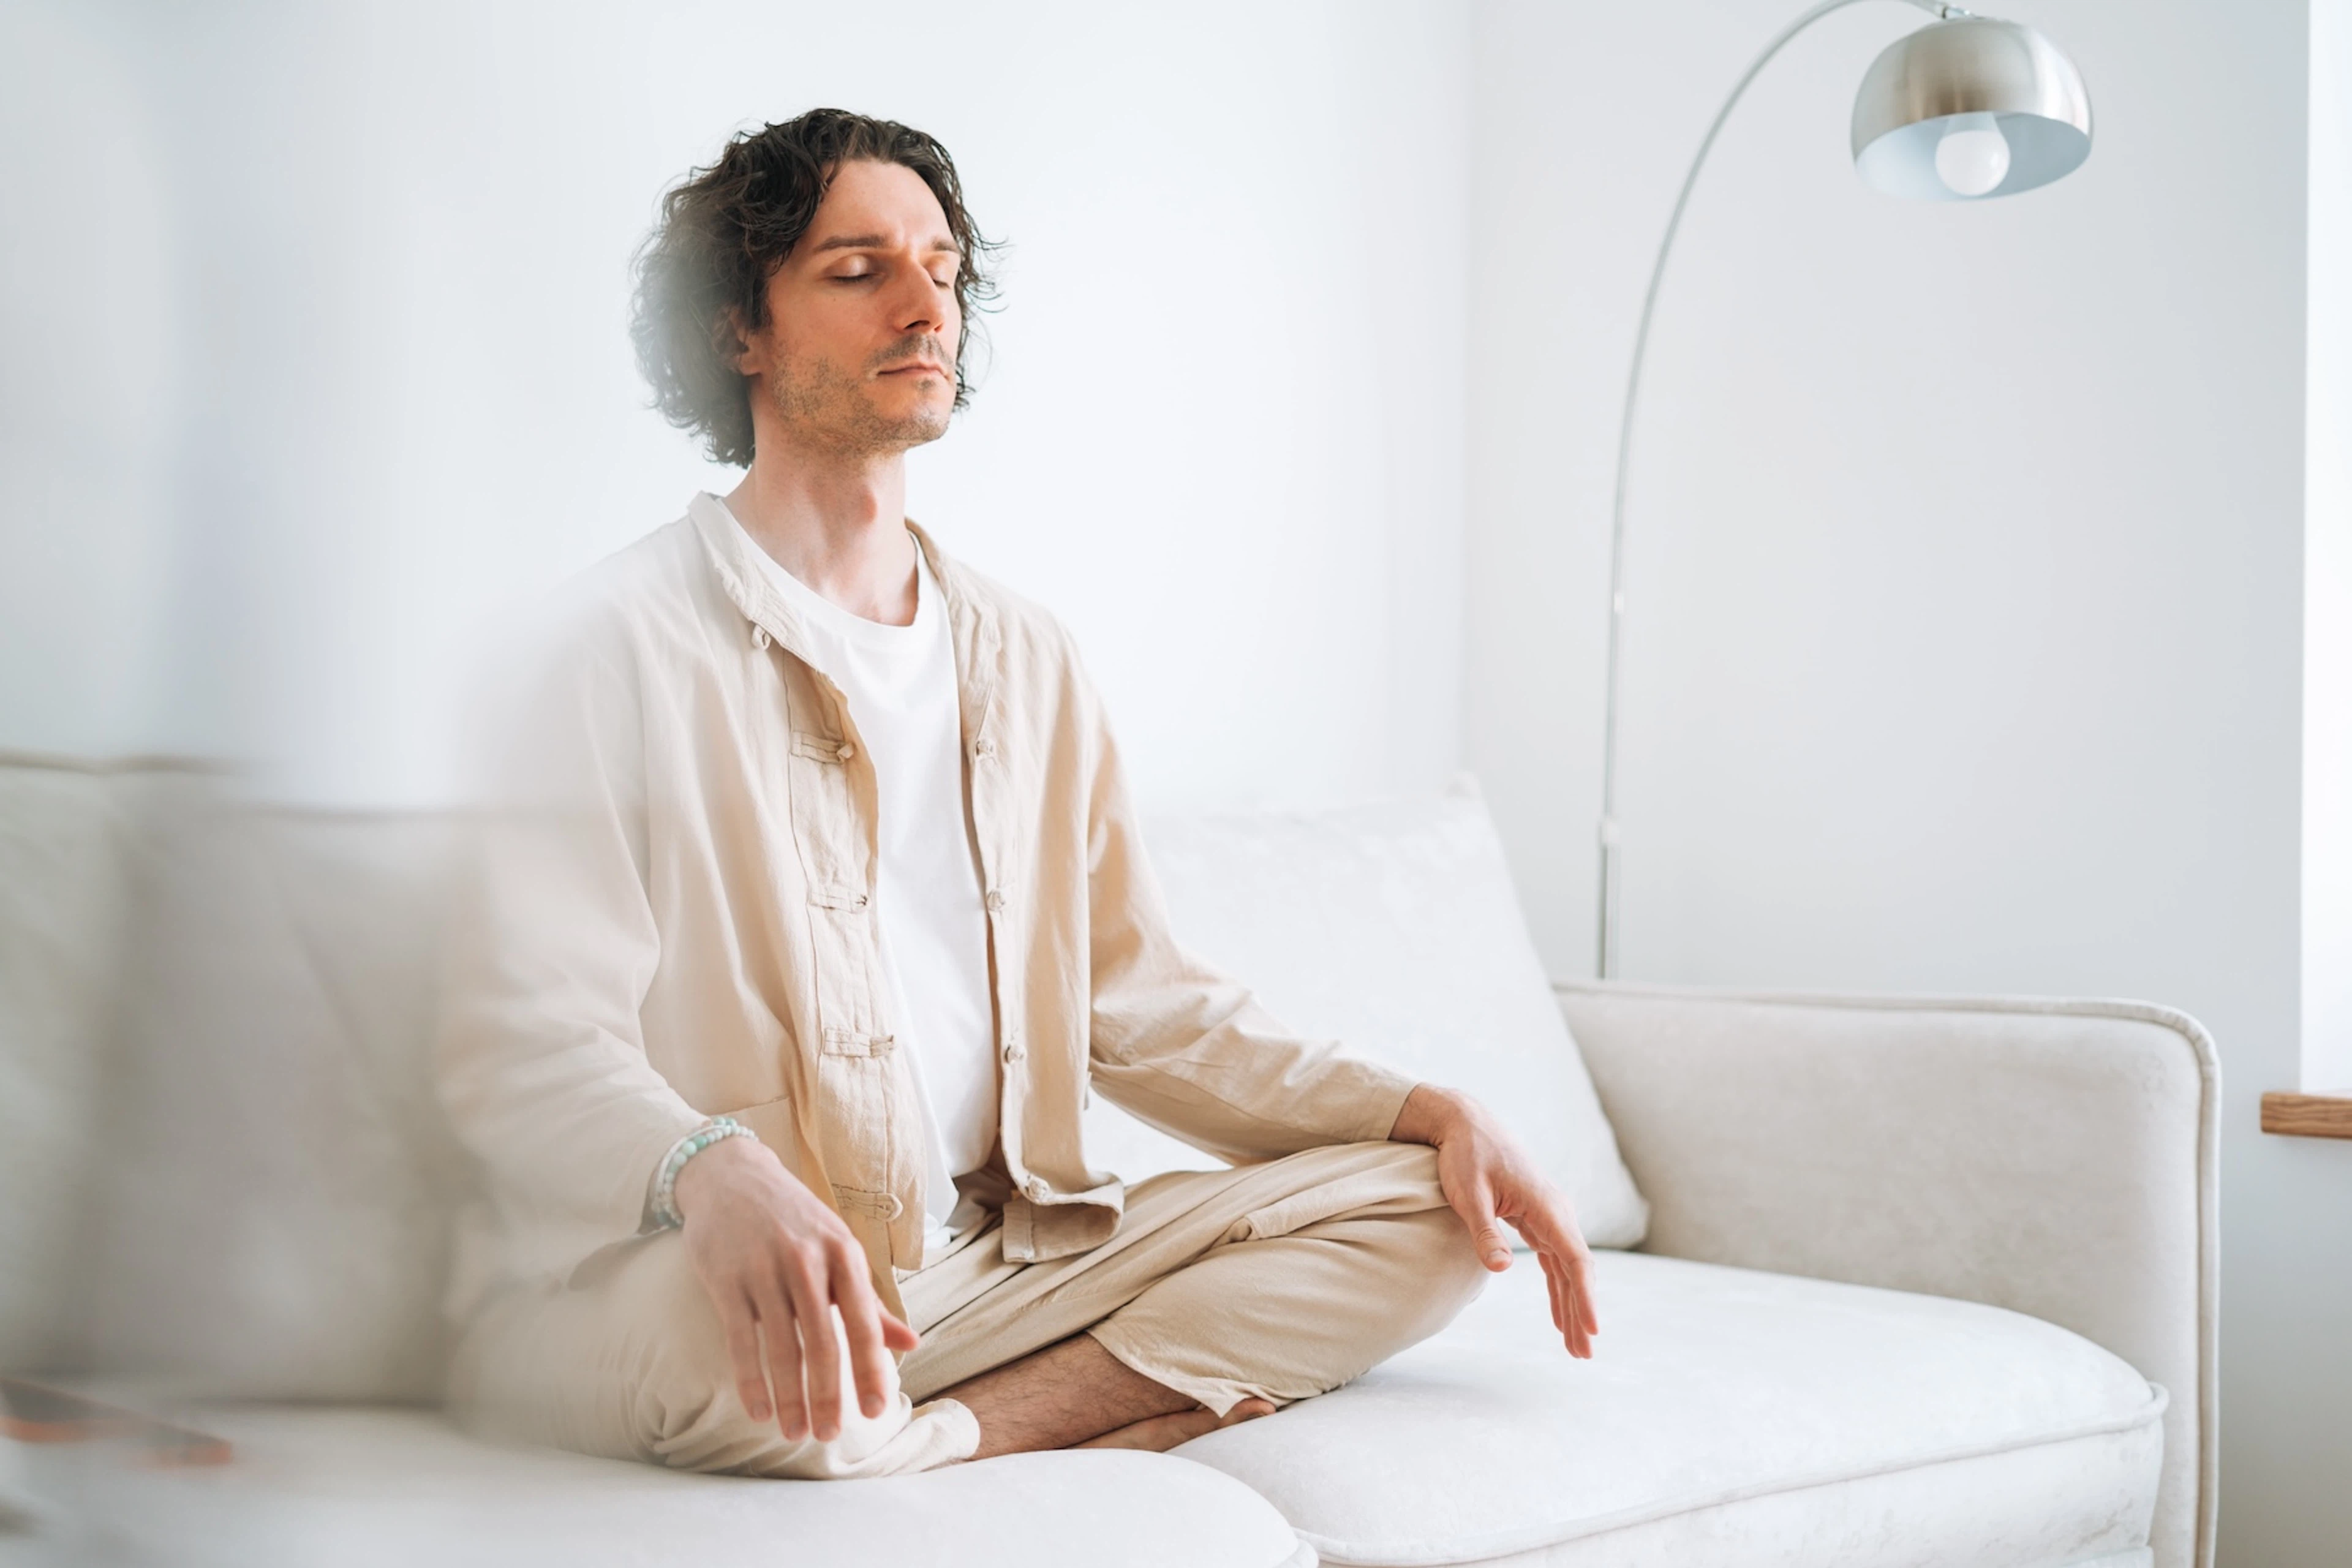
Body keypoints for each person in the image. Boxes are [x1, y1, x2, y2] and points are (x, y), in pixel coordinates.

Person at [436, 107, 1597, 1479]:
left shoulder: (1027, 656)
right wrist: (710, 1169)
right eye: (859, 269)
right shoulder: (609, 642)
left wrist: (1425, 1109)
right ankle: (1061, 1395)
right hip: (680, 1276)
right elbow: (522, 1040)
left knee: (1428, 1210)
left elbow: (1139, 1002)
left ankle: (954, 1432)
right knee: (740, 1337)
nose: (927, 304)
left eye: (944, 268)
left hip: (991, 1269)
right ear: (739, 327)